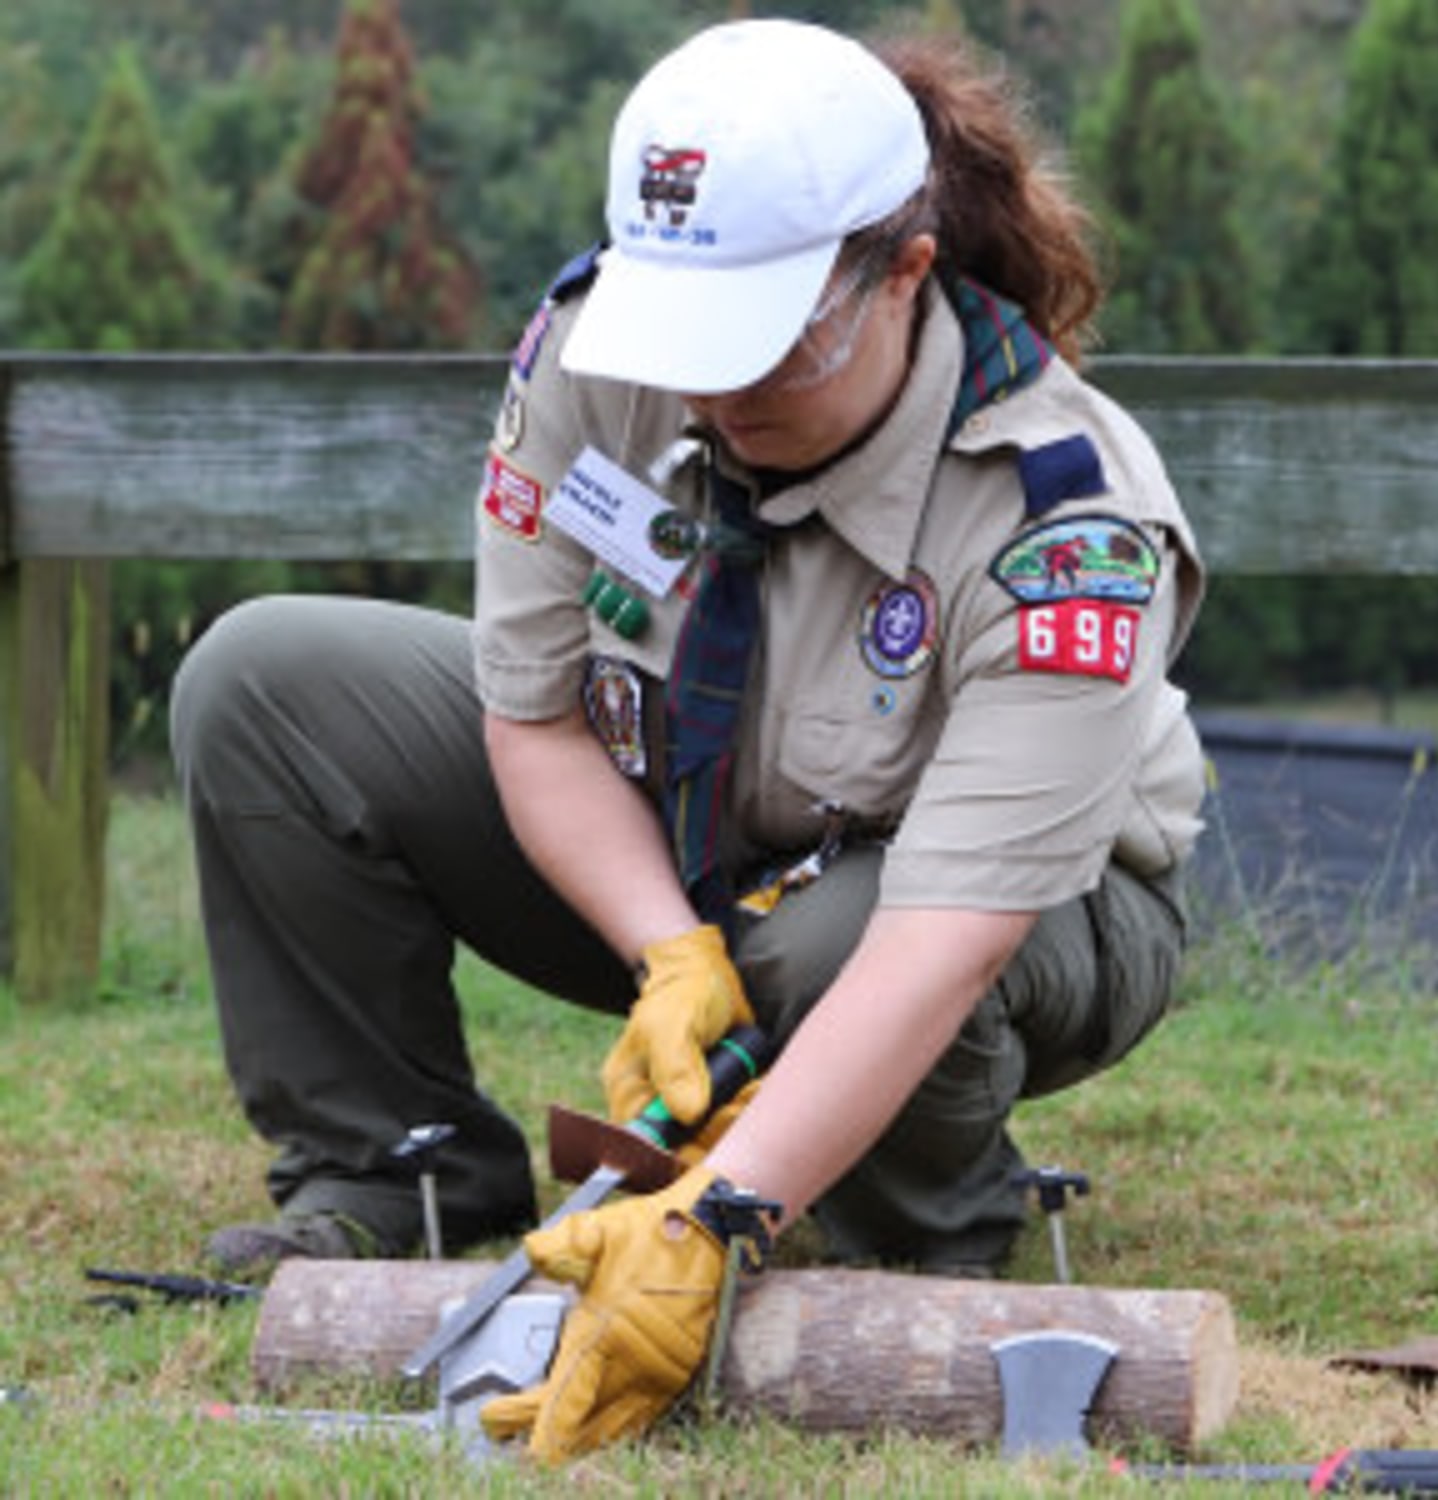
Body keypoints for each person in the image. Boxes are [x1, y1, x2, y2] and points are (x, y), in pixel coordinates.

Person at [170, 17, 1205, 1463]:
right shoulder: (591, 352)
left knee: (827, 940)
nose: (715, 391)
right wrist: (667, 952)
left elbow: (947, 933)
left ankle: (924, 1216)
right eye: (688, 336)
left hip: (1012, 919)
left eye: (765, 341)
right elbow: (536, 717)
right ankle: (396, 1170)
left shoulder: (1063, 518)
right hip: (685, 838)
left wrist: (712, 1218)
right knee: (266, 681)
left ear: (903, 272)